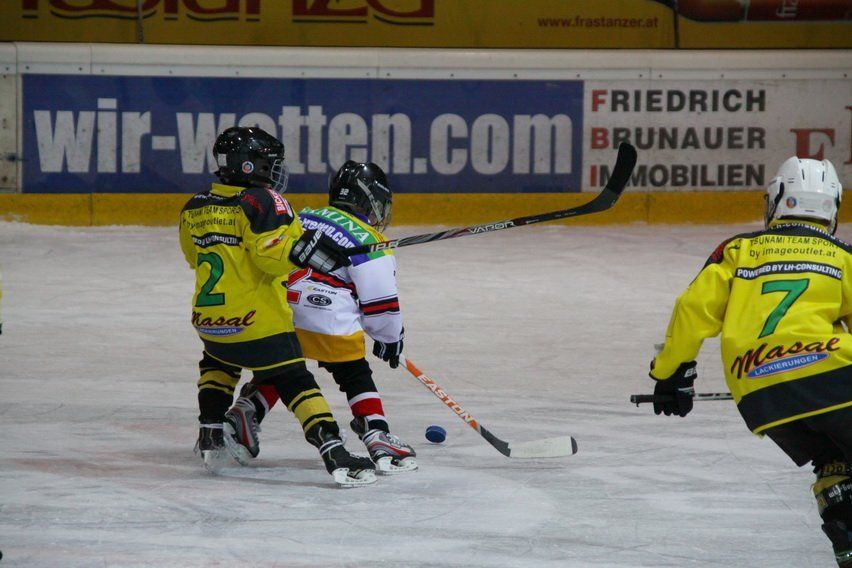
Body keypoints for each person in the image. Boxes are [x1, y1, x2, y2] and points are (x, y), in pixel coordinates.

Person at [647, 156, 851, 567]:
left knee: (833, 461)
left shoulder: (738, 250)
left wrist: (671, 375)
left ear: (775, 200)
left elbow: (692, 309)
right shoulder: (844, 256)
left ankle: (845, 529)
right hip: (833, 377)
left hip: (759, 393)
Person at [179, 126, 376, 486]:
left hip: (210, 321)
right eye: (269, 162)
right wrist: (307, 251)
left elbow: (193, 256)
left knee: (218, 363)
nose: (275, 169)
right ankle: (335, 451)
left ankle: (210, 432)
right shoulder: (263, 201)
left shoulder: (195, 205)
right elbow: (271, 258)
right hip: (258, 322)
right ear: (249, 165)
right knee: (295, 381)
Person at [223, 160, 416, 474]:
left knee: (284, 366)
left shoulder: (304, 215)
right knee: (353, 371)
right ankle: (377, 433)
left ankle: (247, 410)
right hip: (326, 319)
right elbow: (380, 303)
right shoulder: (371, 240)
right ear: (369, 199)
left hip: (279, 310)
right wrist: (389, 339)